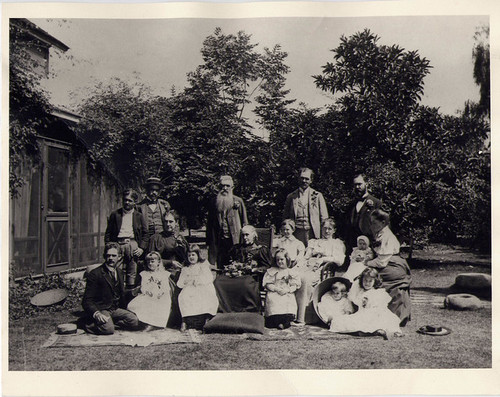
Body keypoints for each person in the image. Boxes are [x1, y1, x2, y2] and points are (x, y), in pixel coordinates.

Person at [294, 218, 346, 325]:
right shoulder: (314, 242)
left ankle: (302, 317)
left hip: (322, 269)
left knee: (304, 279)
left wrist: (323, 259)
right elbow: (306, 256)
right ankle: (288, 314)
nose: (326, 231)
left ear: (334, 230)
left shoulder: (336, 243)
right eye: (324, 228)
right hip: (308, 265)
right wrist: (300, 263)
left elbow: (340, 261)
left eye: (329, 229)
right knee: (293, 275)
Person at [366, 208, 412, 326]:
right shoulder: (380, 234)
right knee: (365, 275)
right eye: (371, 222)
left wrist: (367, 263)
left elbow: (381, 262)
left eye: (374, 223)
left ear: (383, 223)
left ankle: (383, 314)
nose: (372, 225)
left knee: (370, 277)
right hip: (387, 263)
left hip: (394, 265)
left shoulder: (387, 236)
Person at [82, 243, 140, 335]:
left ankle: (110, 322)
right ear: (104, 256)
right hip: (102, 308)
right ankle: (87, 323)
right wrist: (97, 313)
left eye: (114, 255)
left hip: (115, 309)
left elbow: (122, 293)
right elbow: (87, 300)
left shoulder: (120, 272)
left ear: (119, 257)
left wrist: (135, 291)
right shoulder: (95, 274)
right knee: (108, 330)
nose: (111, 258)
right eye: (108, 255)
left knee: (134, 321)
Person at [329, 268, 402, 339]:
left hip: (375, 314)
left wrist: (370, 303)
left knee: (381, 322)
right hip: (362, 314)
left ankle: (375, 331)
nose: (367, 283)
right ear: (362, 280)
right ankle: (375, 332)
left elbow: (381, 306)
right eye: (365, 280)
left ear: (375, 281)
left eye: (370, 281)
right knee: (339, 322)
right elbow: (353, 299)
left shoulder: (378, 292)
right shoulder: (360, 291)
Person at [214, 225, 272, 312]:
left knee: (245, 283)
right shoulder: (236, 248)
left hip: (251, 276)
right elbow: (229, 262)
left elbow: (267, 267)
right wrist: (231, 268)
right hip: (234, 275)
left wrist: (253, 269)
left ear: (254, 235)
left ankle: (248, 310)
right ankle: (225, 309)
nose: (245, 237)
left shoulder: (260, 250)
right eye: (243, 235)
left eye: (247, 235)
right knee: (218, 281)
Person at [148, 210, 189, 328]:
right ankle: (167, 319)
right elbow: (150, 259)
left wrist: (182, 247)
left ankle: (184, 319)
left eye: (171, 221)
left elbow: (188, 258)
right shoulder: (156, 238)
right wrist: (170, 262)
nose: (168, 224)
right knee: (170, 284)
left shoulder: (180, 238)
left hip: (179, 271)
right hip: (161, 271)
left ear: (176, 223)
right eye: (165, 222)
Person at [104, 189, 148, 288]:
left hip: (132, 244)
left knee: (132, 270)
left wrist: (141, 248)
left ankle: (129, 294)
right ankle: (116, 292)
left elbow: (146, 233)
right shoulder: (115, 214)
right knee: (115, 269)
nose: (127, 202)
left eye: (129, 200)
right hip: (117, 244)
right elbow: (108, 232)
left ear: (135, 202)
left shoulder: (139, 216)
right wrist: (108, 246)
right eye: (125, 200)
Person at [206, 175, 248, 269]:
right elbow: (210, 223)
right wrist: (209, 241)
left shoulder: (238, 201)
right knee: (221, 266)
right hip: (220, 241)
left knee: (236, 266)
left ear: (232, 187)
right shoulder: (214, 202)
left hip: (235, 240)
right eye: (222, 186)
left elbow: (244, 222)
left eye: (227, 186)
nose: (224, 188)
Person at [283, 167, 329, 247]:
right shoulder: (291, 196)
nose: (304, 181)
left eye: (307, 179)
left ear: (311, 180)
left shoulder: (318, 195)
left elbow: (324, 217)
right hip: (296, 232)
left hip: (312, 232)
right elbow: (285, 217)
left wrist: (324, 233)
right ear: (298, 179)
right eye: (302, 178)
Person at [127, 251, 172, 330]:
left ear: (158, 262)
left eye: (152, 261)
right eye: (148, 262)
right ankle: (145, 322)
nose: (150, 264)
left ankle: (154, 324)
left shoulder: (164, 274)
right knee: (137, 304)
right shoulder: (144, 274)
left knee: (158, 304)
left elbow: (166, 287)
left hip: (160, 295)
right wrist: (147, 291)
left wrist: (160, 293)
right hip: (148, 294)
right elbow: (143, 286)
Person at [177, 244, 219, 331]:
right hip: (189, 288)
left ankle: (206, 319)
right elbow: (180, 283)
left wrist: (198, 280)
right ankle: (185, 320)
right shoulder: (185, 269)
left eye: (193, 255)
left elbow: (209, 278)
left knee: (205, 295)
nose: (191, 257)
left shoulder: (203, 267)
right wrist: (186, 281)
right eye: (189, 255)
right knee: (184, 296)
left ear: (198, 255)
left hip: (201, 287)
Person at [262, 249, 301, 329]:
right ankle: (276, 322)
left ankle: (284, 322)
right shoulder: (272, 271)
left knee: (287, 304)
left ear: (287, 259)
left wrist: (288, 290)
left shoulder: (291, 272)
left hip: (286, 292)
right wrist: (276, 289)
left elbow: (295, 285)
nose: (279, 262)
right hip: (275, 292)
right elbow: (268, 284)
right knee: (274, 302)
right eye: (277, 260)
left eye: (282, 259)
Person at [346, 173, 382, 249]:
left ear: (367, 184)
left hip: (369, 245)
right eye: (355, 185)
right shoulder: (351, 204)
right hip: (353, 246)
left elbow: (381, 226)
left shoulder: (376, 203)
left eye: (359, 184)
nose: (357, 187)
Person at [137, 176, 172, 241]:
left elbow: (171, 221)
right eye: (152, 190)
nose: (154, 192)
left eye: (156, 190)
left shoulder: (164, 205)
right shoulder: (139, 206)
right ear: (147, 190)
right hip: (146, 239)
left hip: (162, 237)